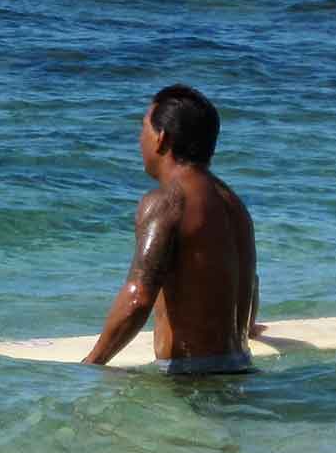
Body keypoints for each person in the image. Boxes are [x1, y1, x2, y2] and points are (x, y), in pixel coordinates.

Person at [81, 85, 259, 374]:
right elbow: (250, 284)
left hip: (189, 380)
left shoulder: (166, 202)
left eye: (143, 129)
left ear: (162, 138)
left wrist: (89, 365)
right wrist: (247, 328)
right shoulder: (235, 205)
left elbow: (138, 298)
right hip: (241, 368)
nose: (139, 139)